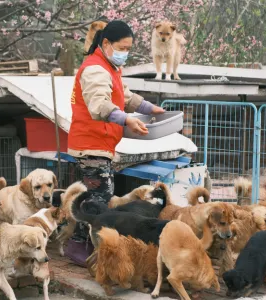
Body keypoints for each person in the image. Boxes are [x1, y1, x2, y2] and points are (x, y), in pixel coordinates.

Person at [65, 20, 166, 266]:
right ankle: (80, 245)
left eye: (129, 49)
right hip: (91, 144)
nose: (126, 53)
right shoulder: (95, 69)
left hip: (100, 144)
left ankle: (85, 243)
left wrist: (149, 108)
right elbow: (99, 105)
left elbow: (125, 96)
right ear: (106, 43)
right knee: (99, 197)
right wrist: (128, 120)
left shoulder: (110, 67)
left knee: (99, 195)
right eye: (123, 47)